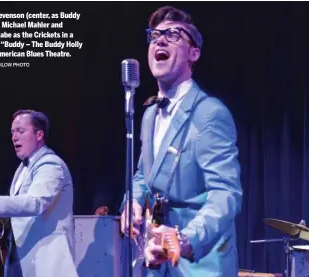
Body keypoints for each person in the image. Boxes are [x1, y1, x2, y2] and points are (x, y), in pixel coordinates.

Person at [120, 5, 243, 277]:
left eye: (173, 35)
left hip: (201, 267)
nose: (160, 40)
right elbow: (144, 174)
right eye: (154, 36)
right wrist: (134, 201)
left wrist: (184, 240)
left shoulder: (210, 113)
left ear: (193, 53)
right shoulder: (150, 114)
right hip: (156, 265)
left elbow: (226, 195)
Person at [0, 110, 78, 277]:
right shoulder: (23, 168)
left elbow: (35, 203)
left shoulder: (51, 165)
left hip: (43, 260)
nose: (14, 137)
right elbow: (20, 212)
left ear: (39, 135)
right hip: (20, 258)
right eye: (12, 132)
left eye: (21, 131)